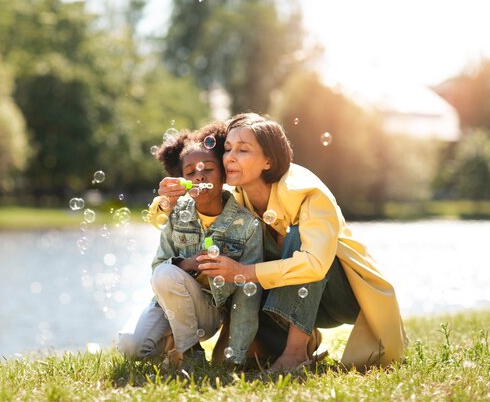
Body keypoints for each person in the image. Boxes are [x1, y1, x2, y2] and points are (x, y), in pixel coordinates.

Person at [156, 112, 408, 374]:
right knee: (226, 360)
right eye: (228, 148)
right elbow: (198, 202)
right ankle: (302, 338)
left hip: (342, 296)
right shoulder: (237, 195)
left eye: (243, 150)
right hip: (296, 300)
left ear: (268, 161)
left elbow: (314, 265)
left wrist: (242, 273)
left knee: (297, 237)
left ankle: (295, 354)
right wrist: (167, 203)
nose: (230, 156)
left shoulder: (308, 193)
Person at [117, 122, 264, 367]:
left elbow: (247, 296)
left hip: (208, 312)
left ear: (223, 175)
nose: (199, 176)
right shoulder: (175, 214)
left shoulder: (247, 225)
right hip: (169, 303)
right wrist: (188, 264)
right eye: (190, 173)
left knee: (167, 275)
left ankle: (190, 355)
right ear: (183, 180)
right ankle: (174, 346)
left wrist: (234, 357)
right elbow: (158, 268)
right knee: (130, 347)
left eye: (208, 169)